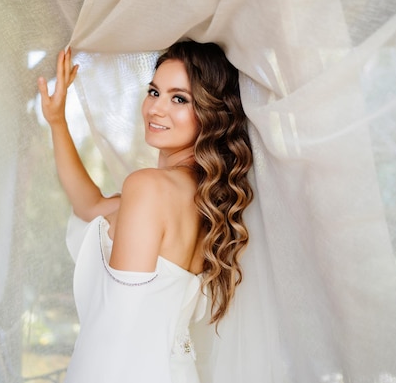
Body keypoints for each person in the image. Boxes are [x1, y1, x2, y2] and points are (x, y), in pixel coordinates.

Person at [37, 40, 254, 383]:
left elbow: (117, 329)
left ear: (211, 113)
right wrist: (57, 121)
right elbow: (91, 206)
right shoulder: (200, 197)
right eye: (154, 92)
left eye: (179, 98)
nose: (156, 108)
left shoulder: (149, 187)